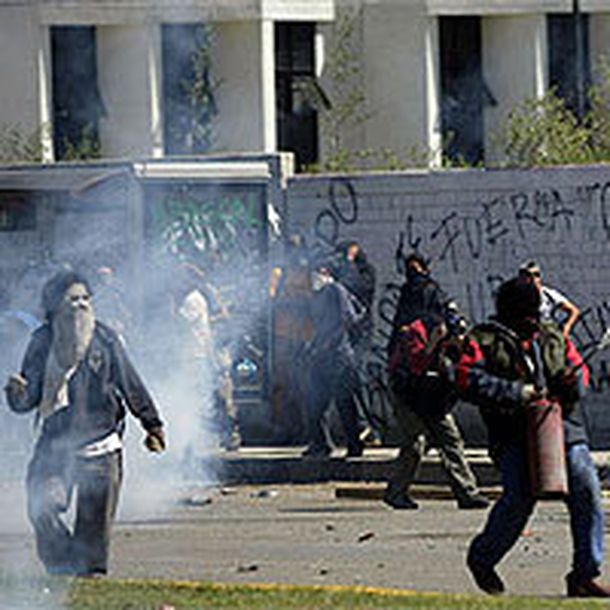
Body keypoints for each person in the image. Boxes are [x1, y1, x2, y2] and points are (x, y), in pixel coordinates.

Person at [453, 277, 609, 597]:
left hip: (564, 428)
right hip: (513, 434)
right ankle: (483, 559)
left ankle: (584, 573)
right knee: (519, 499)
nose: (534, 323)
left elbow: (579, 371)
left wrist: (571, 384)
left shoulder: (552, 336)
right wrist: (514, 392)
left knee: (587, 491)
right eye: (527, 316)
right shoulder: (482, 340)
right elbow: (466, 378)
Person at [3, 271, 165, 577]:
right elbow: (29, 399)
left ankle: (89, 579)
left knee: (93, 528)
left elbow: (130, 382)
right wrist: (17, 393)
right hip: (55, 449)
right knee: (43, 508)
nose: (79, 306)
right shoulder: (41, 342)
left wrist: (152, 424)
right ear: (54, 308)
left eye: (84, 299)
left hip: (101, 448)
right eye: (71, 300)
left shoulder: (105, 339)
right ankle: (63, 565)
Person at [383, 253, 489, 510]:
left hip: (432, 397)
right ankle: (396, 492)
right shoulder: (415, 332)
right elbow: (417, 365)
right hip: (407, 393)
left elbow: (471, 361)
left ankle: (467, 493)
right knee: (415, 444)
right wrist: (433, 345)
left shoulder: (454, 339)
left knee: (451, 440)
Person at [302, 262, 365, 459]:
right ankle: (320, 444)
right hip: (321, 357)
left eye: (317, 273)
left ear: (326, 273)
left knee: (344, 403)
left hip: (339, 357)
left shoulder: (336, 290)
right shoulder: (316, 296)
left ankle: (355, 445)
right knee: (315, 402)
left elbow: (346, 320)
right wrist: (313, 346)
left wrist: (328, 344)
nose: (313, 278)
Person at [335, 240, 381, 446]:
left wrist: (349, 263)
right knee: (346, 383)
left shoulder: (366, 272)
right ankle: (361, 428)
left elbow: (357, 286)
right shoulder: (342, 274)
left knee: (356, 377)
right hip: (345, 336)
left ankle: (367, 425)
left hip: (360, 332)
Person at [519, 260, 580, 338]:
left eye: (535, 275)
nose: (532, 279)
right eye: (526, 275)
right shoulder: (516, 295)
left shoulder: (548, 294)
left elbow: (574, 311)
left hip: (546, 331)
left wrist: (567, 326)